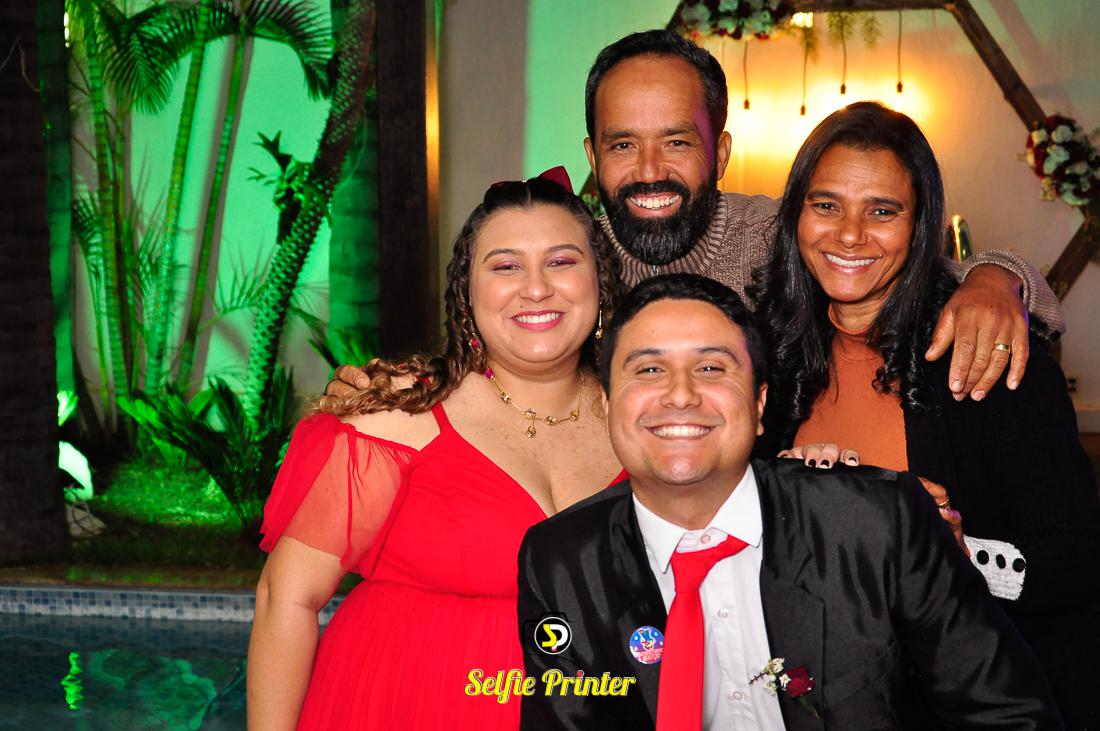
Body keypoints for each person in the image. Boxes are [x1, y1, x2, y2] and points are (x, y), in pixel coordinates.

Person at [329, 30, 1063, 406]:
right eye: (624, 145)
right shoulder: (564, 258)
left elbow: (918, 274)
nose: (649, 170)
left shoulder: (782, 234)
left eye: (677, 142)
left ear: (722, 152)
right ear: (592, 155)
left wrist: (996, 280)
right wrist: (390, 393)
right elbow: (488, 352)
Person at [517, 273, 1062, 731]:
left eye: (711, 368)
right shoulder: (562, 561)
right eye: (649, 369)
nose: (680, 394)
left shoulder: (876, 524)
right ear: (608, 403)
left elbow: (1008, 715)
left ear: (759, 406)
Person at [752, 101, 1100, 729]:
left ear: (920, 227)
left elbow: (1080, 559)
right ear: (795, 214)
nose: (849, 234)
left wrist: (965, 556)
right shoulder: (766, 355)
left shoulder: (985, 356)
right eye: (826, 205)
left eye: (882, 211)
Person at [247, 169, 626, 730]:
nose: (536, 287)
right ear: (467, 294)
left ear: (601, 280)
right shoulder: (400, 416)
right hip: (401, 706)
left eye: (562, 261)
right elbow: (287, 598)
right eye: (505, 266)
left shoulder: (645, 418)